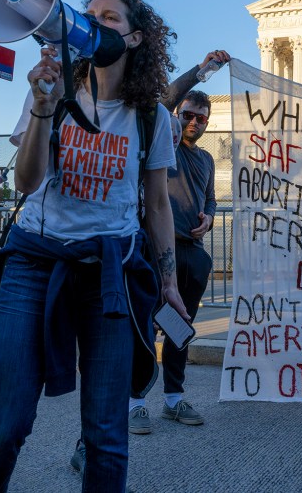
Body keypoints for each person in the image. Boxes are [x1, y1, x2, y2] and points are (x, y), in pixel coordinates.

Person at [0, 0, 189, 493]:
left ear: (132, 38)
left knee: (107, 435)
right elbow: (25, 183)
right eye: (87, 15)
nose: (92, 22)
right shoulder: (52, 93)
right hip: (34, 262)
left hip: (108, 274)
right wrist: (45, 107)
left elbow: (156, 204)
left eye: (108, 17)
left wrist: (169, 280)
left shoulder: (151, 116)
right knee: (4, 426)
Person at [127, 49, 229, 435]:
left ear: (207, 123)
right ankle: (135, 402)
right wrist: (203, 72)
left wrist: (210, 216)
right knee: (144, 327)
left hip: (192, 253)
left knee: (180, 328)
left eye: (201, 118)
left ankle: (173, 399)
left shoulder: (206, 160)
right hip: (154, 252)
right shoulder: (161, 141)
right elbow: (163, 101)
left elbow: (210, 198)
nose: (193, 122)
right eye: (187, 115)